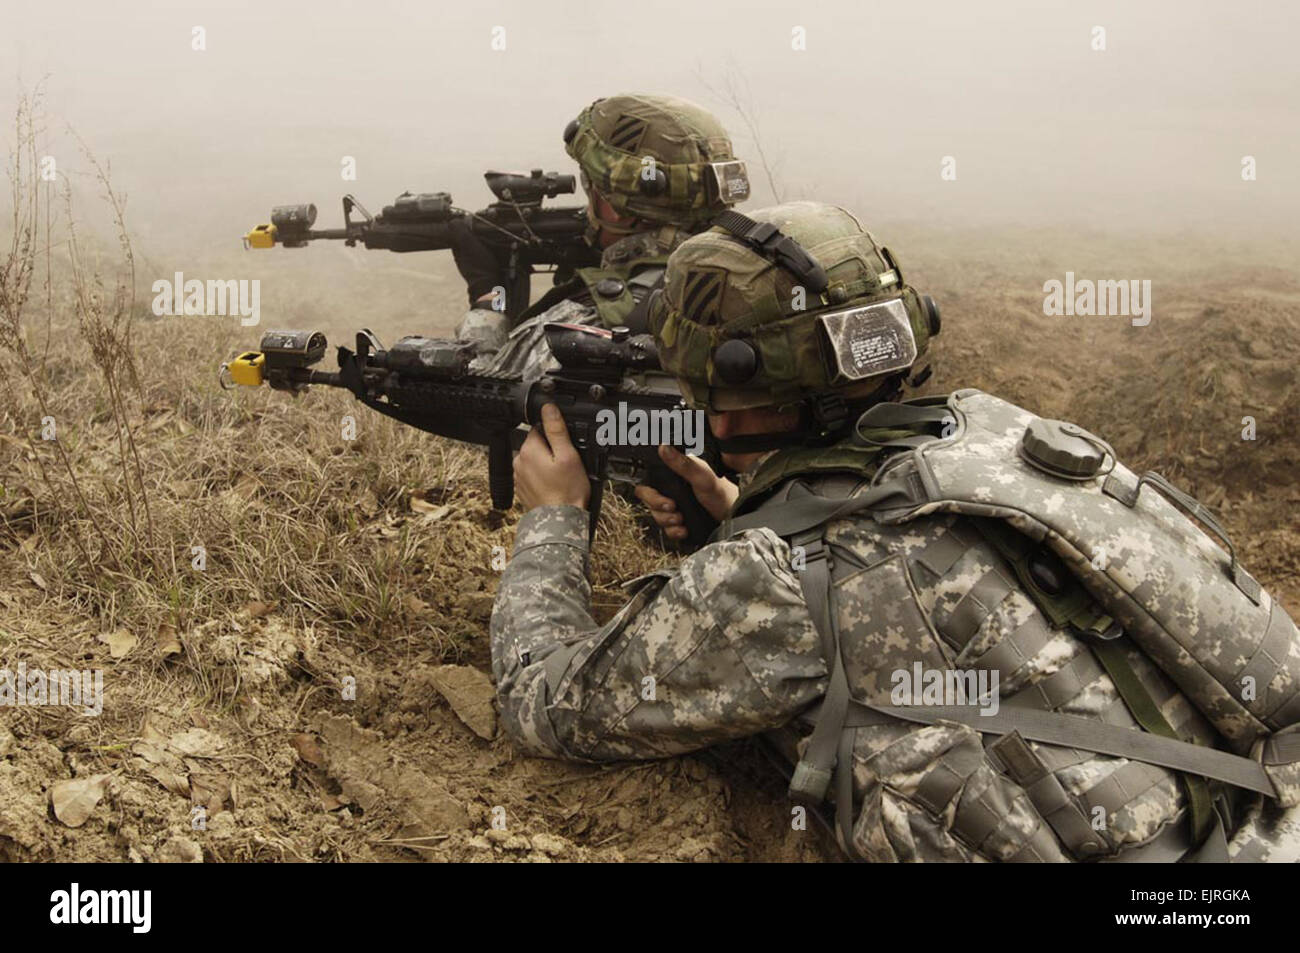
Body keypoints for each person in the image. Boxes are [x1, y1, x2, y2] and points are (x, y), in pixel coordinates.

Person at [489, 200, 1300, 862]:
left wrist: (554, 519)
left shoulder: (772, 585)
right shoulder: (1009, 438)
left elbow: (543, 701)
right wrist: (758, 520)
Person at [450, 92, 751, 381]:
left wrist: (488, 303)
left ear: (615, 210)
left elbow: (484, 397)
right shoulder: (760, 274)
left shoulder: (577, 333)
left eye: (590, 186)